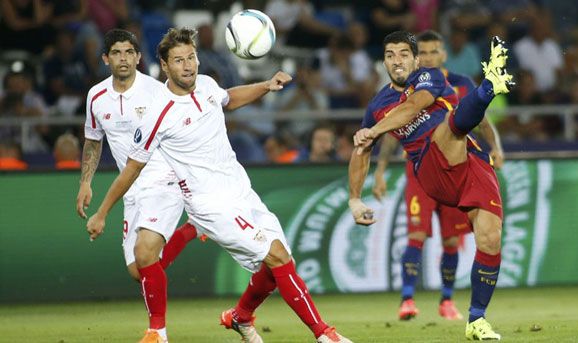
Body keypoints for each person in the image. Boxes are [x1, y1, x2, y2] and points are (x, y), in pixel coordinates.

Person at [86, 27, 352, 343]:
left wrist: (266, 86)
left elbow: (228, 98)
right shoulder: (157, 112)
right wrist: (102, 211)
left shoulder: (207, 85)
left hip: (241, 189)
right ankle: (323, 334)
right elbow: (131, 168)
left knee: (279, 265)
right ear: (165, 66)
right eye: (179, 61)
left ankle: (240, 317)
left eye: (191, 57)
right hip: (210, 204)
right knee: (277, 256)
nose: (188, 66)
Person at [349, 31, 514, 340]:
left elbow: (414, 107)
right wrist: (354, 198)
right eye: (389, 55)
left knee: (490, 239)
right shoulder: (377, 105)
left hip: (472, 162)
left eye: (403, 54)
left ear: (416, 58)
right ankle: (488, 88)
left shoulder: (430, 77)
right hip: (429, 169)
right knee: (448, 128)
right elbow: (362, 151)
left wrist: (372, 131)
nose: (397, 60)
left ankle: (476, 320)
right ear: (383, 62)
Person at [76, 29, 200, 343]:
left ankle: (157, 332)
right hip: (130, 188)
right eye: (116, 53)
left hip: (163, 180)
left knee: (145, 255)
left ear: (138, 57)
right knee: (138, 271)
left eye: (129, 52)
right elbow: (93, 141)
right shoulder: (96, 96)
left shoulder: (157, 91)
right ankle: (192, 230)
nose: (123, 58)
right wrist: (85, 182)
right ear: (106, 58)